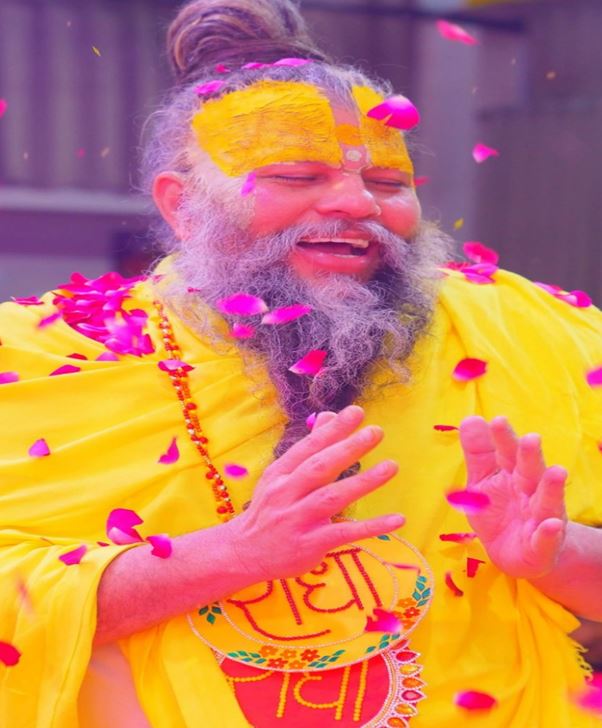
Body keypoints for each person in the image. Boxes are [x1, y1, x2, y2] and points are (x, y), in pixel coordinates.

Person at [0, 1, 600, 725]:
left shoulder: (540, 334)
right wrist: (230, 555)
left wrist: (559, 555)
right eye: (297, 175)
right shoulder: (39, 355)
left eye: (389, 182)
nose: (355, 202)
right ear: (183, 205)